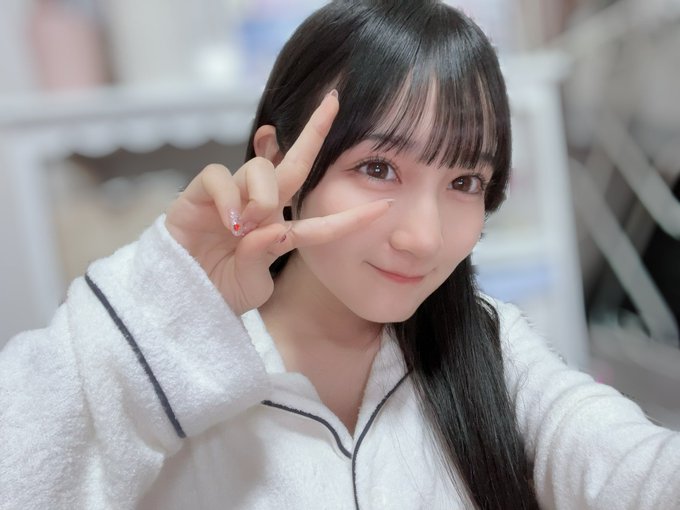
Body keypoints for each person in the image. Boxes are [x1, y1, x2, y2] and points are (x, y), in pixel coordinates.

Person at [2, 1, 679, 509]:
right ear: (277, 161)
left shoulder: (494, 357)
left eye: (464, 182)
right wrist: (160, 313)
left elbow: (636, 470)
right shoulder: (174, 372)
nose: (422, 237)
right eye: (378, 168)